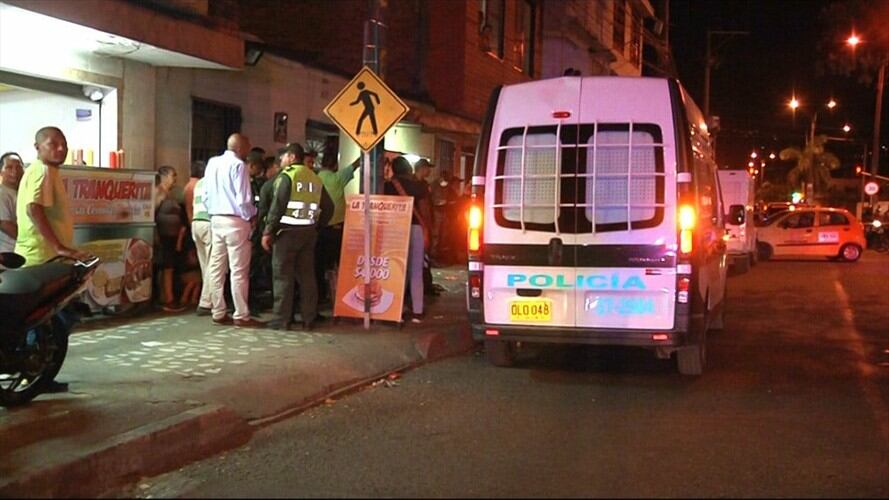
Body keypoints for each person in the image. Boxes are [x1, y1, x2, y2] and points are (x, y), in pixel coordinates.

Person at [14, 127, 93, 394]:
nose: (60, 149)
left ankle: (38, 374)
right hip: (42, 258)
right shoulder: (42, 171)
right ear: (38, 147)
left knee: (53, 319)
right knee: (45, 320)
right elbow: (33, 208)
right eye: (53, 144)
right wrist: (59, 247)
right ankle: (34, 374)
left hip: (44, 256)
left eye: (64, 144)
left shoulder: (48, 172)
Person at [262, 143, 333, 330]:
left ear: (292, 157)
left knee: (283, 276)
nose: (281, 160)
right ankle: (309, 318)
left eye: (284, 156)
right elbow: (329, 207)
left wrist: (268, 231)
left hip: (286, 234)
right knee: (307, 277)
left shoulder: (288, 176)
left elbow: (277, 206)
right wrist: (317, 225)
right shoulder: (315, 178)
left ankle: (281, 320)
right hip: (308, 234)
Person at [203, 133, 264, 328]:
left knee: (216, 268)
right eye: (247, 146)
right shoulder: (239, 165)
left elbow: (205, 195)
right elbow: (243, 199)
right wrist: (251, 215)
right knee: (239, 271)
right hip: (236, 222)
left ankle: (218, 311)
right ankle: (241, 314)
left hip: (216, 219)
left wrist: (213, 212)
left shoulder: (212, 163)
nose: (249, 150)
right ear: (240, 148)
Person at [384, 156, 432, 323]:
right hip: (416, 229)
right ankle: (417, 310)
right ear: (409, 169)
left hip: (395, 230)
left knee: (397, 270)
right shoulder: (417, 187)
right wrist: (428, 230)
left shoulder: (386, 187)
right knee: (416, 270)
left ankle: (395, 309)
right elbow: (425, 211)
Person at [315, 146, 357, 307]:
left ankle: (322, 295)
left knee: (319, 264)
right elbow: (355, 166)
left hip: (320, 228)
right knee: (338, 264)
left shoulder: (315, 179)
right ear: (335, 165)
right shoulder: (338, 178)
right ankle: (339, 296)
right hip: (338, 229)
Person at [154, 166, 187, 312]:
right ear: (165, 176)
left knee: (169, 266)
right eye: (173, 176)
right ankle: (168, 298)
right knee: (166, 267)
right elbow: (152, 213)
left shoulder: (171, 194)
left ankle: (166, 296)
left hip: (172, 236)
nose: (175, 179)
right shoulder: (158, 192)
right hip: (163, 236)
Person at [188, 160, 213, 316]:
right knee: (212, 265)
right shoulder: (213, 183)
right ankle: (205, 302)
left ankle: (209, 298)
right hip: (208, 223)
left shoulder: (199, 184)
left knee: (205, 265)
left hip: (196, 223)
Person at [0, 152, 24, 255]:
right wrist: (30, 241)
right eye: (9, 167)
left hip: (24, 252)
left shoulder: (24, 193)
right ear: (1, 172)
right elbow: (5, 225)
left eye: (18, 167)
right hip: (9, 255)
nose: (15, 171)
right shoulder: (2, 195)